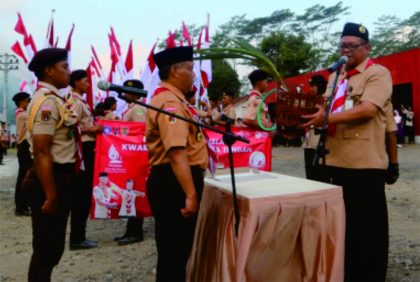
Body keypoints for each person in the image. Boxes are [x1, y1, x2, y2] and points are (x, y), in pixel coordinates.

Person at [302, 23, 394, 281]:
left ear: (367, 48)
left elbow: (367, 109)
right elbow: (325, 109)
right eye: (342, 45)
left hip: (363, 165)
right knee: (340, 228)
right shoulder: (336, 76)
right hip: (332, 160)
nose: (346, 50)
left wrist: (326, 118)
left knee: (367, 231)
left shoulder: (377, 74)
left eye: (352, 46)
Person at [146, 46, 208, 282]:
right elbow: (176, 152)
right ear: (175, 70)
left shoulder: (176, 101)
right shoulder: (169, 103)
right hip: (175, 182)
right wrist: (190, 193)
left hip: (176, 180)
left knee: (177, 251)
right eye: (190, 68)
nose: (194, 74)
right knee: (175, 253)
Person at [23, 48, 77, 281]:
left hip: (58, 176)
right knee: (46, 250)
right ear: (49, 70)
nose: (69, 72)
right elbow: (43, 151)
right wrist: (51, 195)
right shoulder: (47, 103)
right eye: (64, 66)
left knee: (52, 248)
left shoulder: (55, 99)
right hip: (51, 177)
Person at [67, 69, 103, 250]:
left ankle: (80, 235)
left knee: (85, 194)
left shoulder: (82, 101)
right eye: (85, 81)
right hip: (83, 150)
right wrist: (92, 130)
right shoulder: (74, 101)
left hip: (89, 148)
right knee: (81, 195)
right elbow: (70, 128)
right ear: (75, 83)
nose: (88, 84)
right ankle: (77, 238)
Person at [114, 79, 147, 246]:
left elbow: (140, 133)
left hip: (136, 156)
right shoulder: (131, 107)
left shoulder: (139, 109)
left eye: (127, 92)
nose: (125, 94)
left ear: (135, 94)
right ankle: (130, 230)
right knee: (130, 190)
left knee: (134, 191)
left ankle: (136, 232)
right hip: (129, 156)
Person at [302, 75, 327, 181]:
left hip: (320, 143)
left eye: (313, 86)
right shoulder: (311, 101)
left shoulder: (326, 100)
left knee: (320, 176)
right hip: (309, 143)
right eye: (310, 86)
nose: (311, 88)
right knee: (310, 176)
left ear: (320, 86)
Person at [12, 92, 32, 216]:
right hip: (25, 146)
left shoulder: (20, 113)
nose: (29, 102)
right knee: (24, 177)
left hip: (24, 146)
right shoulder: (23, 115)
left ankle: (23, 203)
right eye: (27, 100)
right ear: (21, 102)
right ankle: (21, 206)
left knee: (25, 176)